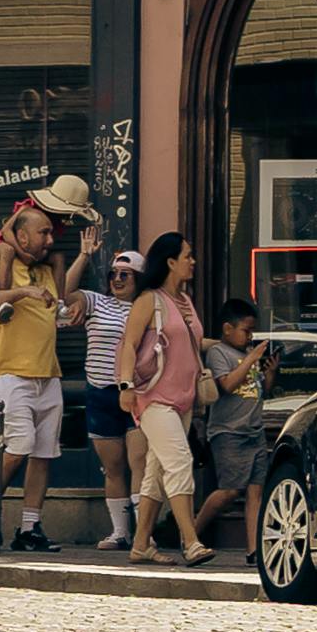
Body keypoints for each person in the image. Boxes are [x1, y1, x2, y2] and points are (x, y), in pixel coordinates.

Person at [0, 193, 82, 553]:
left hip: (47, 372)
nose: (50, 239)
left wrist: (72, 309)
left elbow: (61, 307)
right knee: (19, 446)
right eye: (43, 233)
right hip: (9, 372)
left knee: (44, 453)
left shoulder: (47, 270)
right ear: (21, 237)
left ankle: (30, 527)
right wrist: (21, 292)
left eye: (51, 232)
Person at [121, 232, 213, 563]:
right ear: (170, 262)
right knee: (179, 462)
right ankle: (191, 542)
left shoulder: (185, 302)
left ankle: (141, 544)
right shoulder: (149, 300)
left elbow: (190, 342)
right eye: (187, 256)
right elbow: (128, 345)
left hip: (183, 400)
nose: (193, 261)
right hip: (153, 399)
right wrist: (125, 386)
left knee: (157, 474)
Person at [192, 292, 272, 562]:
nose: (250, 337)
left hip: (255, 430)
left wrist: (269, 372)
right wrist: (251, 359)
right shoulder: (218, 352)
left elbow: (259, 390)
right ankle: (190, 532)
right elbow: (226, 385)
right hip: (228, 432)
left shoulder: (248, 353)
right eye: (246, 331)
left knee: (255, 491)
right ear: (227, 329)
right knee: (229, 491)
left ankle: (254, 550)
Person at [79, 242, 142, 557]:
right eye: (114, 274)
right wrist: (83, 257)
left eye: (126, 275)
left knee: (139, 463)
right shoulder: (96, 302)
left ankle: (143, 534)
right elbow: (65, 297)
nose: (118, 279)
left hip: (135, 391)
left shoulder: (146, 308)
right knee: (113, 467)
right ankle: (120, 532)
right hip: (101, 391)